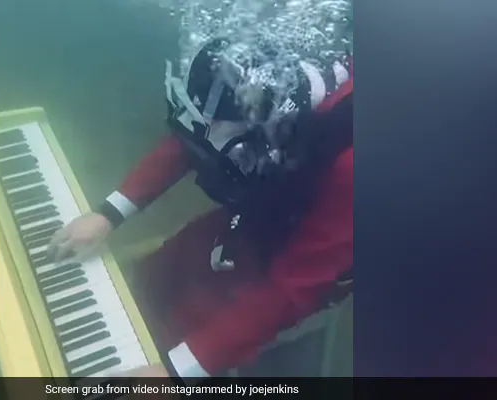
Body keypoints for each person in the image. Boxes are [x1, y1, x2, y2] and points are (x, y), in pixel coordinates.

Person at [48, 37, 353, 380]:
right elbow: (200, 132)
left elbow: (292, 288)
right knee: (158, 273)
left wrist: (174, 372)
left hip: (317, 247)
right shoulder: (271, 74)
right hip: (256, 212)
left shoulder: (353, 168)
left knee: (184, 330)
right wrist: (108, 213)